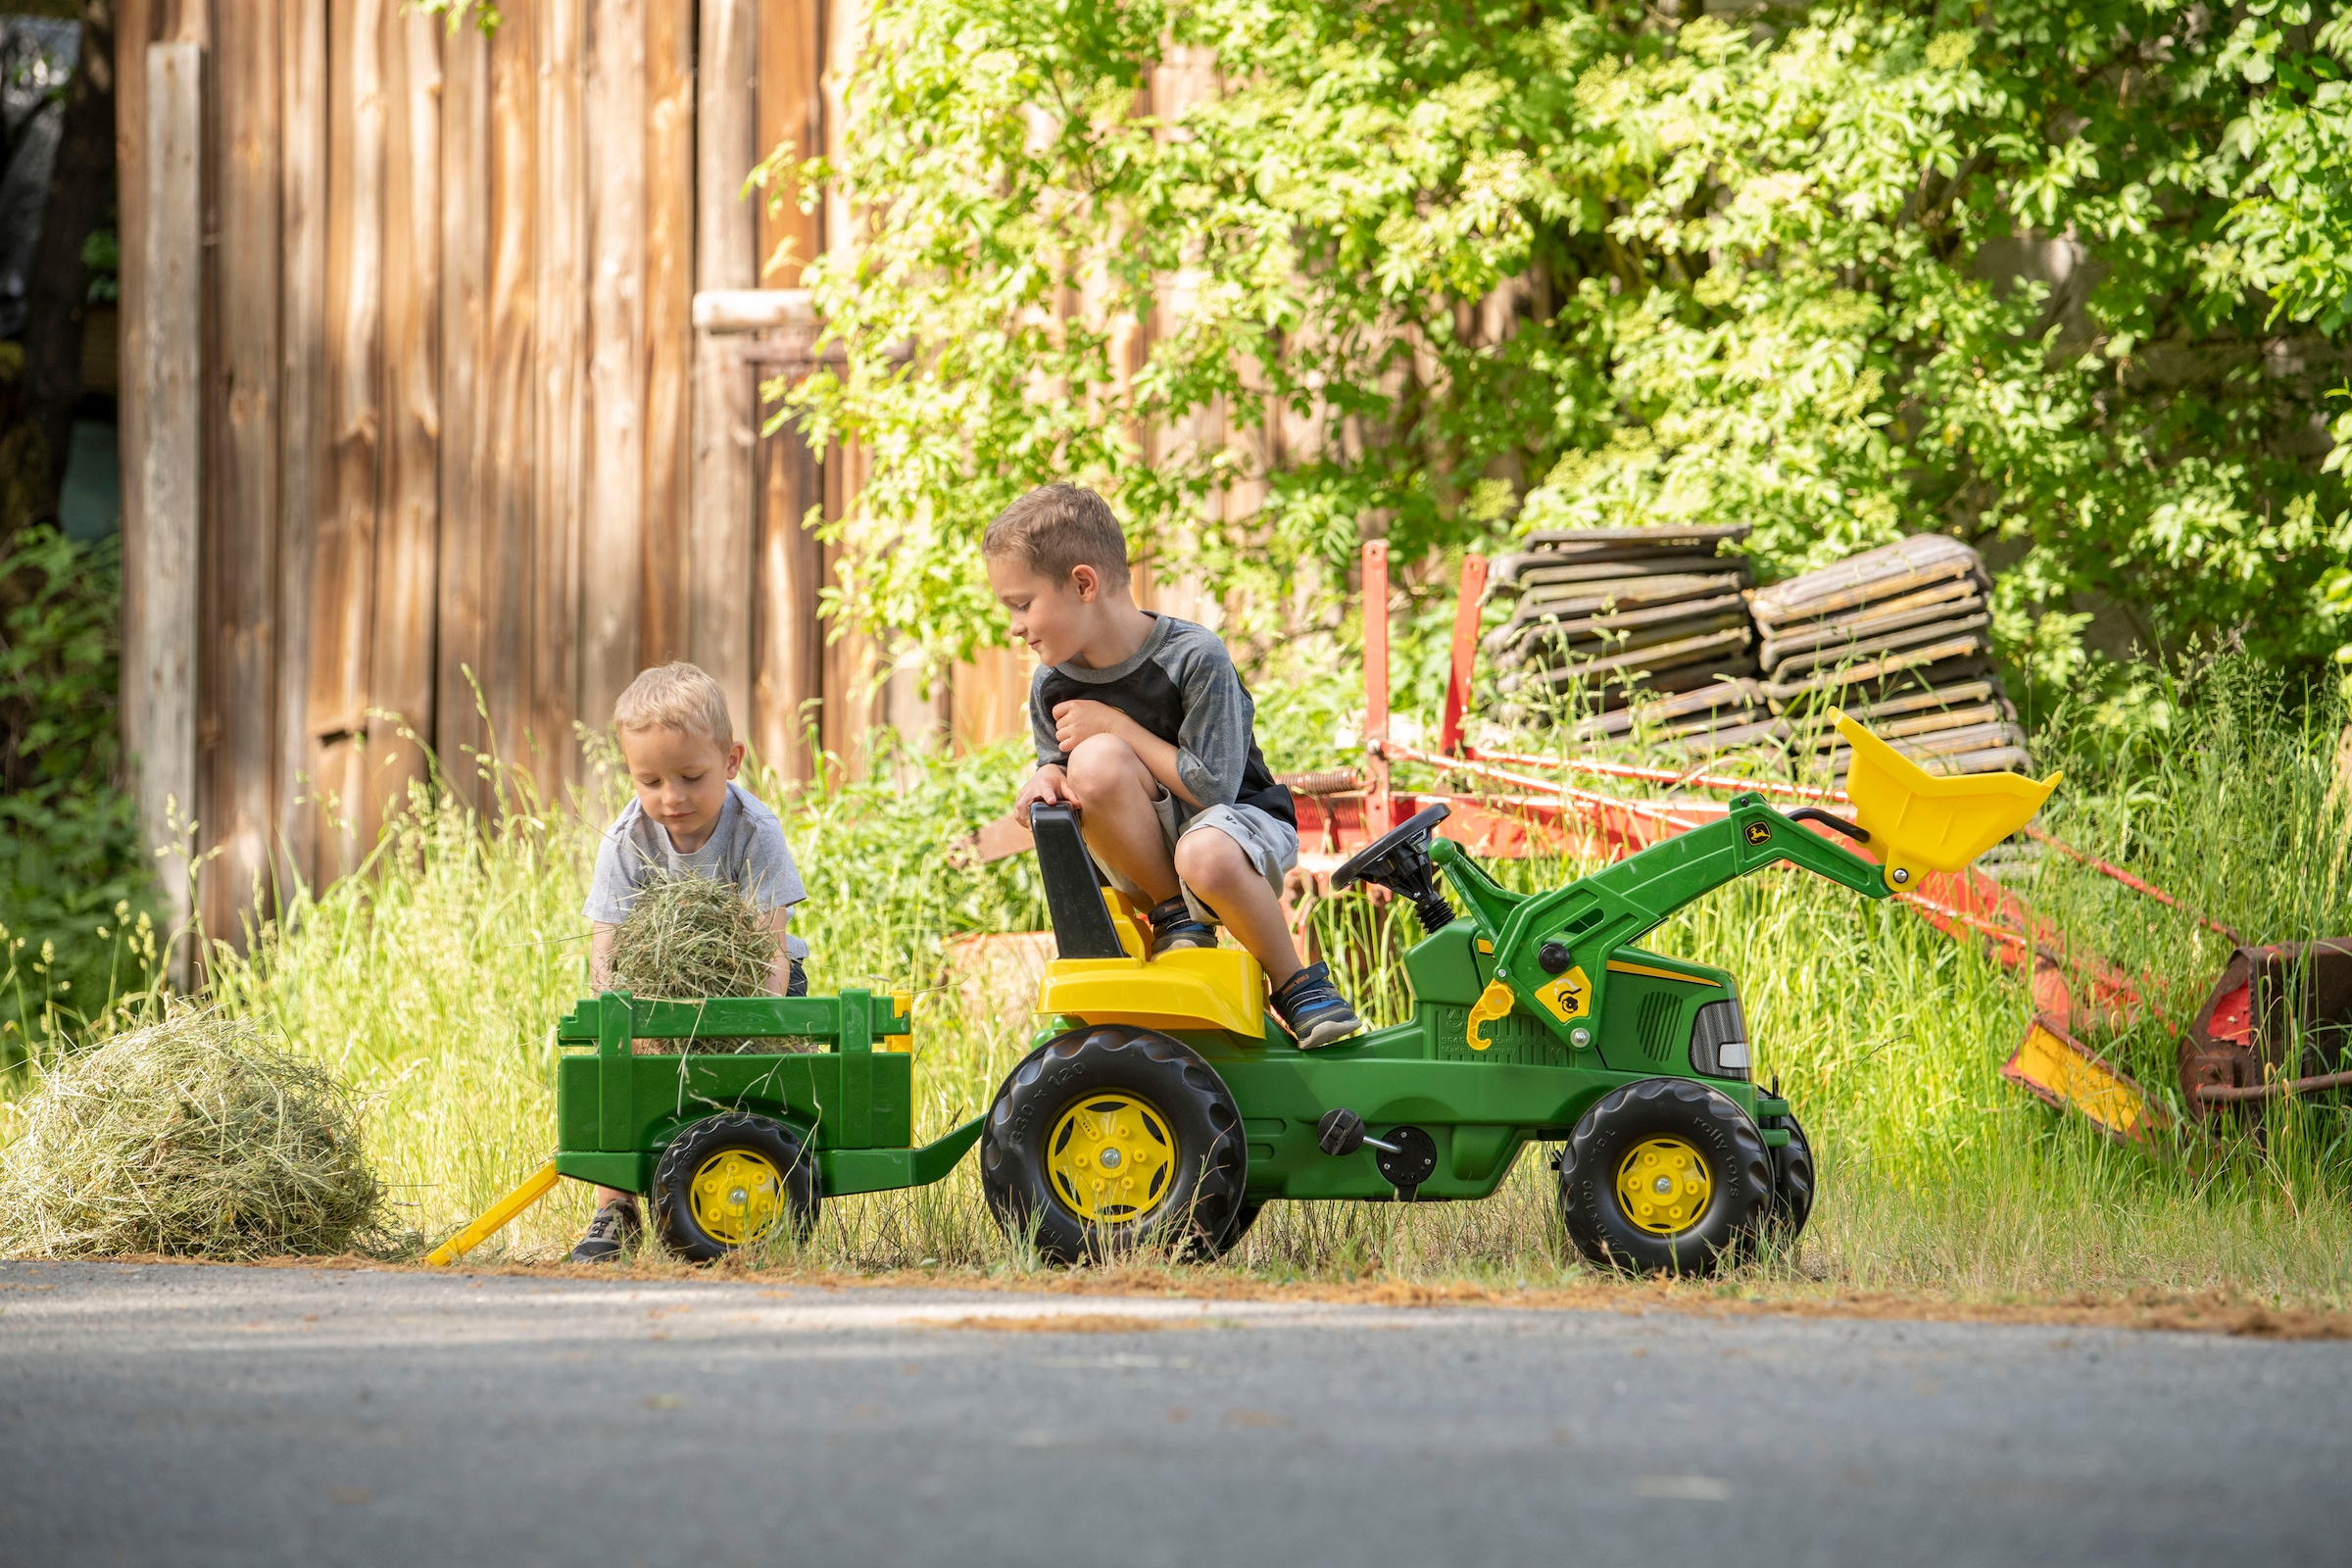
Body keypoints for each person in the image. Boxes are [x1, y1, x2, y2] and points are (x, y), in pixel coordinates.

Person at [985, 483, 1363, 1051]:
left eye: (1022, 603)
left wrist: (1118, 726)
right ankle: (1175, 920)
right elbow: (1059, 763)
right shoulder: (1053, 683)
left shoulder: (1193, 656)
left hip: (1239, 825)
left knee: (1203, 849)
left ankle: (1296, 983)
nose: (1014, 625)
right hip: (1152, 851)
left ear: (1083, 584)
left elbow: (1214, 789)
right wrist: (1045, 778)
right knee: (1091, 762)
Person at [569, 662, 810, 1262]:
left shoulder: (753, 830)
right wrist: (620, 1017)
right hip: (658, 994)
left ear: (732, 761)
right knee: (619, 1078)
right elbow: (608, 944)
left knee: (752, 1090)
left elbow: (767, 946)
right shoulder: (627, 838)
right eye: (649, 781)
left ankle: (753, 1192)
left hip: (757, 985)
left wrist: (753, 1023)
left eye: (691, 777)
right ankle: (614, 1209)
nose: (670, 798)